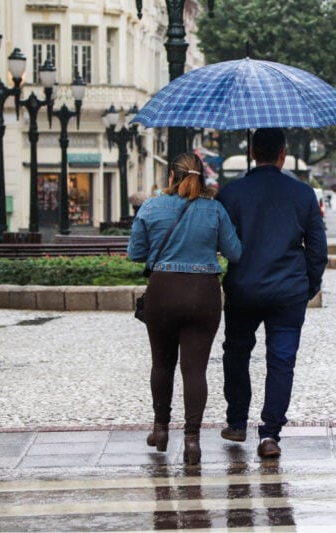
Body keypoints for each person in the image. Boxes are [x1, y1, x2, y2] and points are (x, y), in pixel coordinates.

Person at [216, 128, 328, 459]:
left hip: (243, 287)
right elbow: (317, 247)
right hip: (289, 290)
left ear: (252, 152)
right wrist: (309, 284)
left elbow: (221, 243)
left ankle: (237, 421)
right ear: (283, 154)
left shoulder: (231, 193)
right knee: (281, 359)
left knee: (236, 352)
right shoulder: (303, 193)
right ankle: (270, 434)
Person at [127, 152, 242, 465]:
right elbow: (235, 251)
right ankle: (192, 441)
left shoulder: (151, 206)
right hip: (203, 293)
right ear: (202, 177)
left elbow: (135, 253)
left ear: (170, 177)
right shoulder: (215, 209)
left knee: (162, 364)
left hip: (162, 292)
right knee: (195, 369)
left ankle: (160, 429)